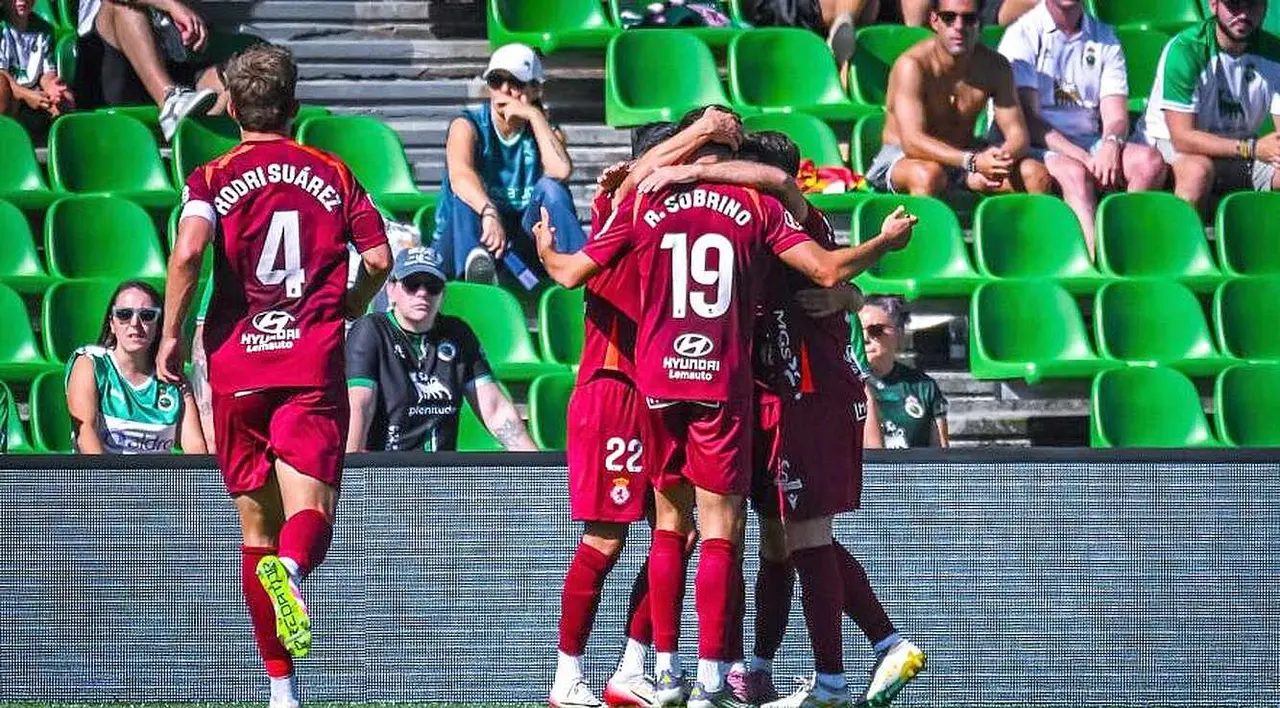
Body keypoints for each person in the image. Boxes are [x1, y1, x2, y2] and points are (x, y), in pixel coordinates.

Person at [537, 134, 917, 708]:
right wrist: (873, 258)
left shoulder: (703, 206)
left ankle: (717, 670)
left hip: (754, 390)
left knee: (763, 534)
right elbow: (826, 269)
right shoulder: (742, 212)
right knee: (742, 535)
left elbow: (818, 254)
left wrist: (848, 293)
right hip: (728, 387)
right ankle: (700, 673)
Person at [158, 44, 392, 708]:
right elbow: (377, 257)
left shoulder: (211, 175)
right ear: (294, 106)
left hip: (237, 365)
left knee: (254, 531)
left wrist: (173, 335)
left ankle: (281, 693)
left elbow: (189, 253)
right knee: (309, 516)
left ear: (231, 106)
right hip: (308, 364)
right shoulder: (333, 172)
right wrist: (350, 303)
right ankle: (292, 573)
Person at [548, 109, 742, 708]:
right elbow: (635, 184)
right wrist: (705, 131)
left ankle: (634, 667)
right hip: (615, 387)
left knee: (676, 533)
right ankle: (566, 675)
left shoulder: (680, 217)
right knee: (606, 539)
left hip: (668, 390)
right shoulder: (624, 204)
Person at [998, 0, 1168, 253]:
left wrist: (1111, 144)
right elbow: (1029, 122)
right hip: (1038, 143)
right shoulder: (1022, 34)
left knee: (1149, 162)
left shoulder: (1105, 37)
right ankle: (1091, 258)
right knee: (1075, 173)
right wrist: (1083, 157)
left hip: (1088, 138)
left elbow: (1116, 116)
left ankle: (1126, 249)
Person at [345, 246, 535, 453]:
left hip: (442, 473)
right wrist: (351, 471)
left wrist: (539, 472)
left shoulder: (458, 334)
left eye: (432, 286)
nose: (422, 293)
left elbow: (495, 409)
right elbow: (360, 406)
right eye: (412, 284)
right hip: (387, 470)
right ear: (391, 289)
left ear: (443, 293)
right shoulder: (371, 331)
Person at [866, 0, 1055, 198]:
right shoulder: (913, 66)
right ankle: (922, 229)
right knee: (929, 175)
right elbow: (912, 142)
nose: (958, 26)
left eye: (969, 19)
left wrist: (998, 160)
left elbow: (1018, 135)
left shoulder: (995, 67)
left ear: (980, 24)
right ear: (934, 20)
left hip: (964, 156)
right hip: (906, 158)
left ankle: (1019, 229)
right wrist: (972, 161)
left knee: (1035, 174)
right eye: (949, 18)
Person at [434, 42, 584, 288]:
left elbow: (560, 172)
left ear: (536, 89)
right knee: (466, 192)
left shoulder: (545, 132)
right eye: (496, 81)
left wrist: (534, 116)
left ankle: (582, 267)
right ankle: (476, 269)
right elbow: (460, 175)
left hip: (517, 242)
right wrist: (488, 212)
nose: (505, 90)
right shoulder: (467, 125)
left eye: (515, 83)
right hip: (466, 236)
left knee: (552, 189)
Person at [1134, 0, 1280, 215]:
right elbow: (1182, 138)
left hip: (1240, 149)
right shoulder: (1186, 49)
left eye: (1252, 5)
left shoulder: (1274, 53)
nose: (1243, 14)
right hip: (1173, 147)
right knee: (1197, 171)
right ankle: (1182, 245)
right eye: (1234, 6)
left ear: (1265, 7)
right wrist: (1252, 149)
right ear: (1214, 5)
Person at [64, 281, 206, 455]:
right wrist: (111, 482)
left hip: (158, 482)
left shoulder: (174, 380)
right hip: (103, 479)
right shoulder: (91, 364)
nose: (135, 323)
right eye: (124, 314)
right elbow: (86, 435)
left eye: (147, 315)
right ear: (112, 323)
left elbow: (196, 449)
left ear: (158, 324)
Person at [76, 0, 223, 140]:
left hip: (173, 61)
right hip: (111, 64)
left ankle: (196, 142)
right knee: (122, 7)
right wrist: (171, 5)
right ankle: (170, 102)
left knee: (234, 79)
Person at [859, 296, 949, 449]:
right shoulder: (846, 385)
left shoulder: (923, 387)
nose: (866, 339)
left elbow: (940, 451)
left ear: (899, 334)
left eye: (876, 330)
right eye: (859, 332)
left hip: (915, 471)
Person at [0, 0, 74, 124]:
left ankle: (56, 138)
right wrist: (27, 95)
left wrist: (51, 87)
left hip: (33, 90)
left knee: (66, 98)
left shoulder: (44, 29)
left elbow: (47, 72)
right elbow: (3, 75)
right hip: (11, 92)